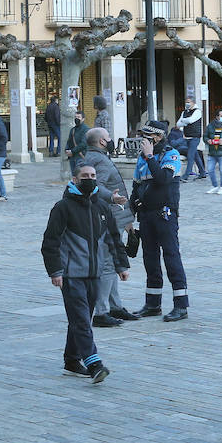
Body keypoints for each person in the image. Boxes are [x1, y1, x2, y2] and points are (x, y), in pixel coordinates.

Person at [42, 162, 131, 382]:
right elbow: (50, 242)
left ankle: (72, 360)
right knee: (81, 319)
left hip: (95, 274)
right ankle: (94, 364)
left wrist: (121, 265)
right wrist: (55, 271)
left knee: (80, 318)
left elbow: (113, 238)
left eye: (92, 175)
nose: (89, 178)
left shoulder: (101, 207)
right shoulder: (62, 207)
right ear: (75, 180)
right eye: (84, 175)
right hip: (71, 275)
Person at [130, 121, 189, 322]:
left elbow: (163, 178)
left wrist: (149, 156)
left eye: (145, 137)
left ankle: (181, 305)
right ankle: (153, 304)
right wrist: (131, 213)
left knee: (171, 257)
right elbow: (136, 186)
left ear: (156, 138)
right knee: (150, 259)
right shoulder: (142, 158)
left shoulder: (170, 155)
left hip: (165, 214)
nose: (141, 141)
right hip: (146, 215)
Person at [81, 127, 138, 327]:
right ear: (102, 142)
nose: (111, 140)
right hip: (106, 219)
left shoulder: (95, 156)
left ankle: (114, 306)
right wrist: (112, 197)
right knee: (106, 264)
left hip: (113, 217)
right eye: (108, 137)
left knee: (112, 264)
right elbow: (98, 186)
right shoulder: (100, 160)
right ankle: (101, 311)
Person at [176, 98, 204, 181]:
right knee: (195, 155)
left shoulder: (197, 111)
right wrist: (185, 121)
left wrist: (183, 120)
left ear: (193, 103)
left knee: (190, 155)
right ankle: (202, 172)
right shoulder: (184, 112)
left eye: (188, 102)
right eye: (186, 102)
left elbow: (191, 120)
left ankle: (186, 175)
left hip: (195, 137)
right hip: (187, 136)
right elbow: (178, 124)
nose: (187, 104)